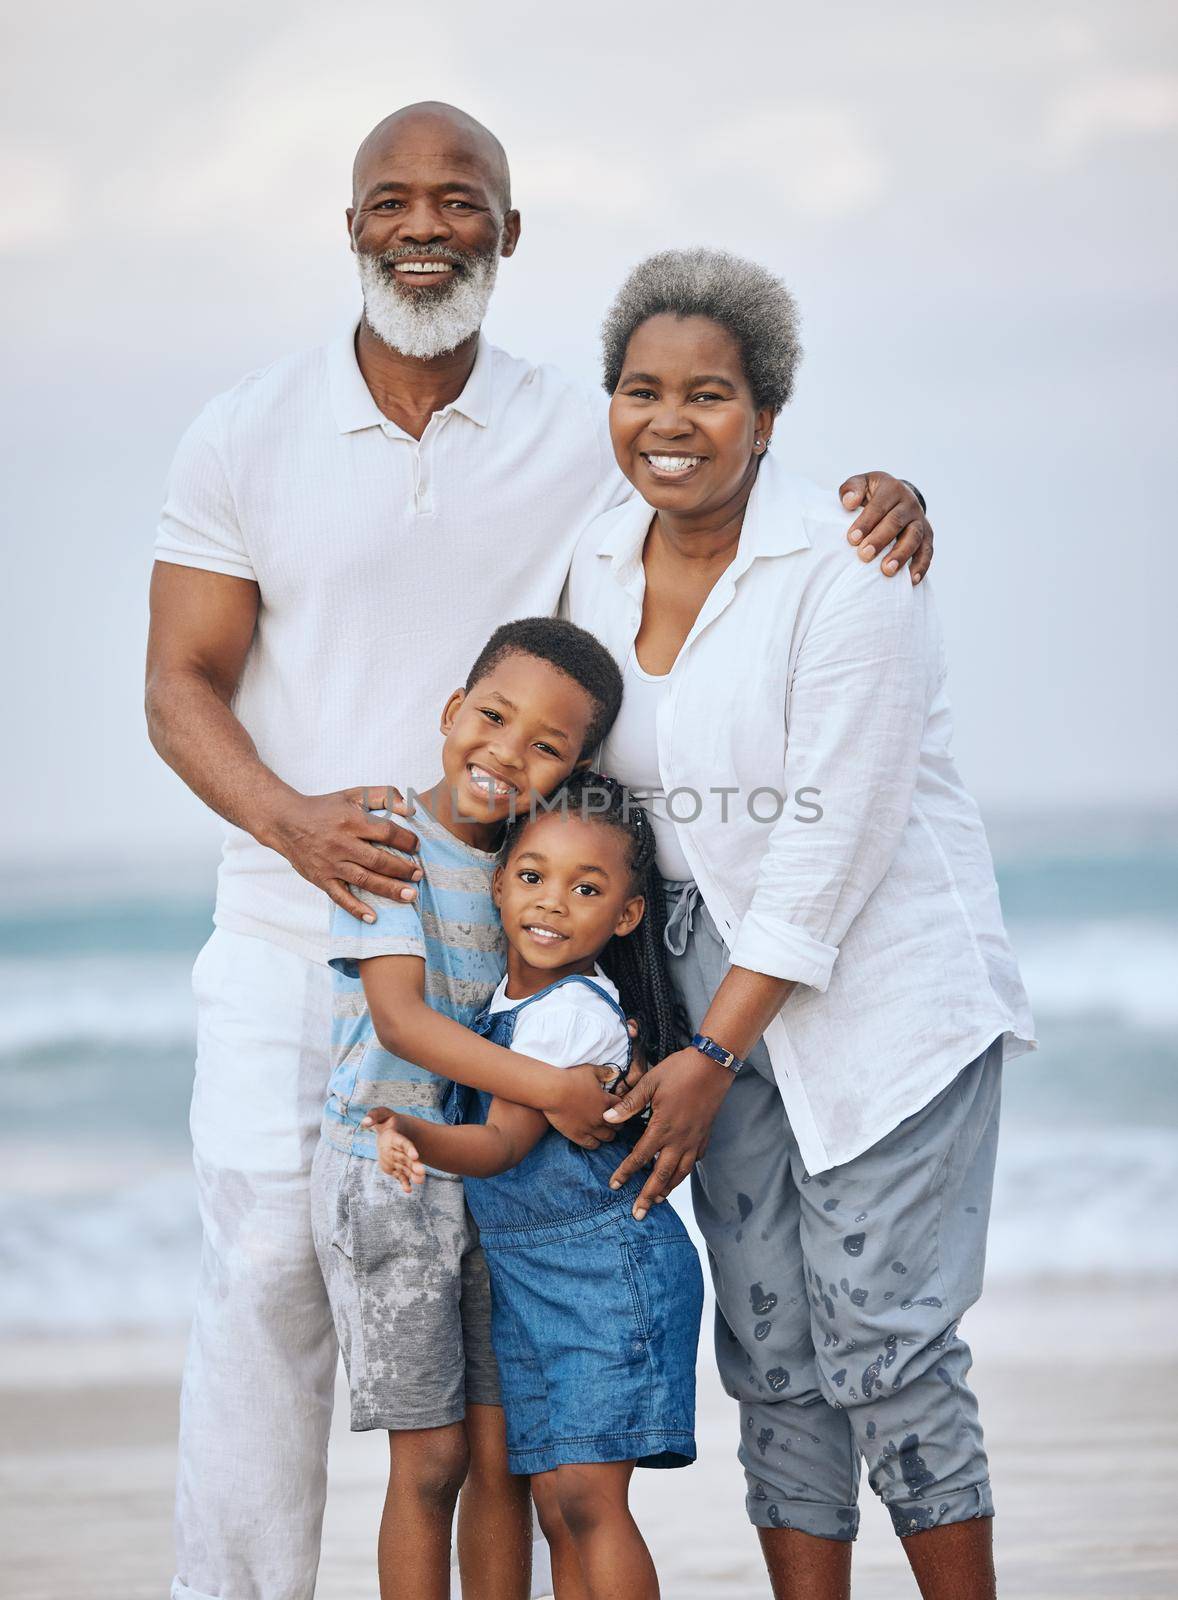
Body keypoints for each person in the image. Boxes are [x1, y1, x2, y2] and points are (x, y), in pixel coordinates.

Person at [145, 97, 934, 1600]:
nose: (424, 225)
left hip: (520, 955)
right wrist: (293, 821)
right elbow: (177, 681)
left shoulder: (581, 430)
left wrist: (879, 502)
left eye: (460, 202)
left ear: (507, 234)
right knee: (262, 1283)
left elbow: (719, 469)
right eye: (393, 199)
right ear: (353, 223)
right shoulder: (244, 429)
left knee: (488, 1377)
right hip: (296, 923)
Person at [562, 249, 1036, 1600]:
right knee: (771, 1358)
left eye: (706, 394)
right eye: (640, 391)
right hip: (696, 1004)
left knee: (884, 1343)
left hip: (877, 996)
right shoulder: (590, 557)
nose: (668, 421)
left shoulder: (851, 563)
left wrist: (709, 1058)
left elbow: (832, 837)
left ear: (766, 416)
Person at [311, 616, 638, 1600]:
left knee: (501, 1457)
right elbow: (401, 1020)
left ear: (571, 770)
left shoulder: (531, 875)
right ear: (453, 712)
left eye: (547, 745)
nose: (506, 752)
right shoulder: (384, 837)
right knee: (433, 1459)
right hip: (389, 1176)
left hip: (495, 1186)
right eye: (493, 718)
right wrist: (555, 1092)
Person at [370, 775, 704, 1600]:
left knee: (590, 1501)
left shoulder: (569, 1019)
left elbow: (498, 1144)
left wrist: (411, 1130)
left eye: (585, 889)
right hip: (534, 1280)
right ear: (497, 883)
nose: (552, 903)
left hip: (604, 1276)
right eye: (532, 877)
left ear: (625, 916)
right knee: (557, 1502)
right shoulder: (506, 1004)